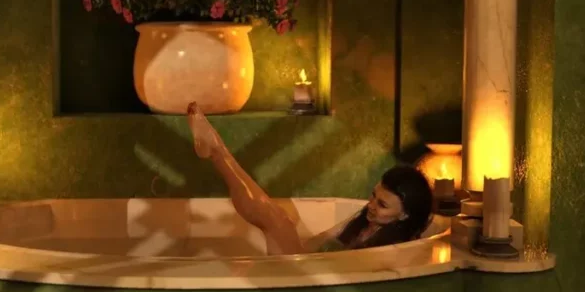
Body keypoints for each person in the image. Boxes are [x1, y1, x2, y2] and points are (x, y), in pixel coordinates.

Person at [186, 102, 434, 255]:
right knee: (280, 218)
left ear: (404, 215)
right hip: (306, 272)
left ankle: (217, 151)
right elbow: (317, 241)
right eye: (373, 195)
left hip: (314, 290)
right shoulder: (363, 221)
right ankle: (217, 151)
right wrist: (291, 243)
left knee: (275, 219)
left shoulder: (394, 250)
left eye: (382, 205)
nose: (371, 205)